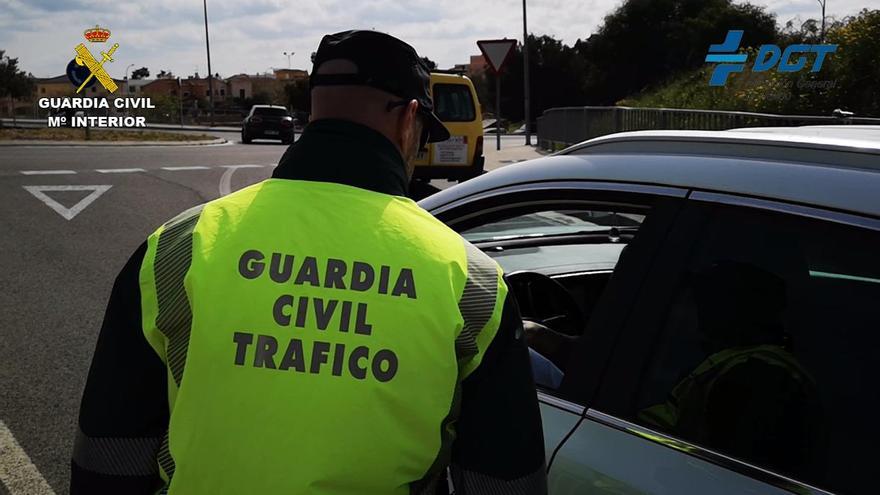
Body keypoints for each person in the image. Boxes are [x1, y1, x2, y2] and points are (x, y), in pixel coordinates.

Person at [71, 30, 546, 495]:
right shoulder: (472, 281)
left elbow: (111, 449)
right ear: (409, 120)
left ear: (313, 110)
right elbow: (503, 478)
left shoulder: (177, 247)